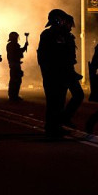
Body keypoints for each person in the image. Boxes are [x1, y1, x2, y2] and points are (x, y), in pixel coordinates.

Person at [38, 9, 82, 138]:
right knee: (54, 102)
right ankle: (53, 128)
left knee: (65, 99)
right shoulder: (49, 35)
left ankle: (58, 123)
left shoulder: (65, 35)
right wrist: (49, 73)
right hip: (54, 74)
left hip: (66, 72)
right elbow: (45, 57)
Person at [6, 31, 29, 101]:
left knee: (14, 79)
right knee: (16, 80)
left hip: (13, 63)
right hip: (15, 63)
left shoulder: (10, 45)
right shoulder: (14, 45)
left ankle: (13, 95)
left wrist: (24, 47)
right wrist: (25, 47)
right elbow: (19, 52)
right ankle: (14, 96)